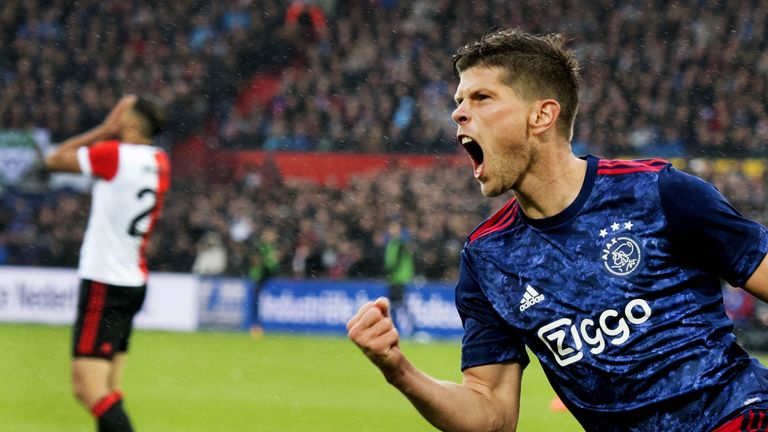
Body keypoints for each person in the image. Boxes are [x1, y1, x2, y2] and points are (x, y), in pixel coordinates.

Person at [346, 28, 768, 432]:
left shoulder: (658, 193)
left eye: (481, 97)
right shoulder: (488, 259)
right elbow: (491, 414)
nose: (458, 111)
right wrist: (398, 370)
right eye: (459, 99)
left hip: (737, 417)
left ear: (542, 115)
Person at [45, 94, 170, 432]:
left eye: (120, 114)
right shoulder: (160, 161)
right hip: (132, 281)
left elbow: (54, 159)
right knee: (109, 389)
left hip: (104, 282)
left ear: (129, 123)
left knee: (88, 388)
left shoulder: (114, 155)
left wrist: (102, 128)